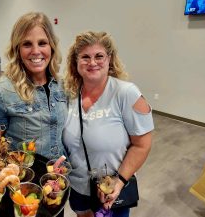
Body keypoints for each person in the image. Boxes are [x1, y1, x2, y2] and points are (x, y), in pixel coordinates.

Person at [62, 31, 154, 217]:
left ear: (109, 59)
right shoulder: (69, 95)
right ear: (76, 62)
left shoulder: (126, 93)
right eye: (85, 57)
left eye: (99, 56)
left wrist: (118, 182)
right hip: (78, 189)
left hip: (110, 192)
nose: (92, 62)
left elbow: (142, 145)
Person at [0, 12, 67, 160]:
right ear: (17, 50)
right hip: (26, 179)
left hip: (60, 177)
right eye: (27, 44)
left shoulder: (61, 86)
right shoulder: (0, 92)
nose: (36, 51)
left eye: (42, 43)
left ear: (52, 46)